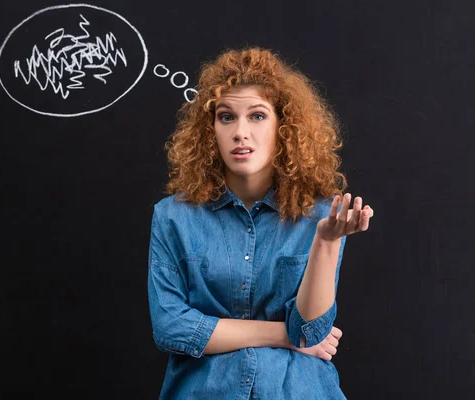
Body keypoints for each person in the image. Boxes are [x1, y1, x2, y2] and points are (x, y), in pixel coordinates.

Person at [146, 46, 374, 399]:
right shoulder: (173, 217)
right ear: (209, 131)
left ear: (284, 127)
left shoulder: (321, 216)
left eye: (257, 116)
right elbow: (171, 327)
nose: (240, 133)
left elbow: (310, 332)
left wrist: (326, 242)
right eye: (226, 117)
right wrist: (284, 335)